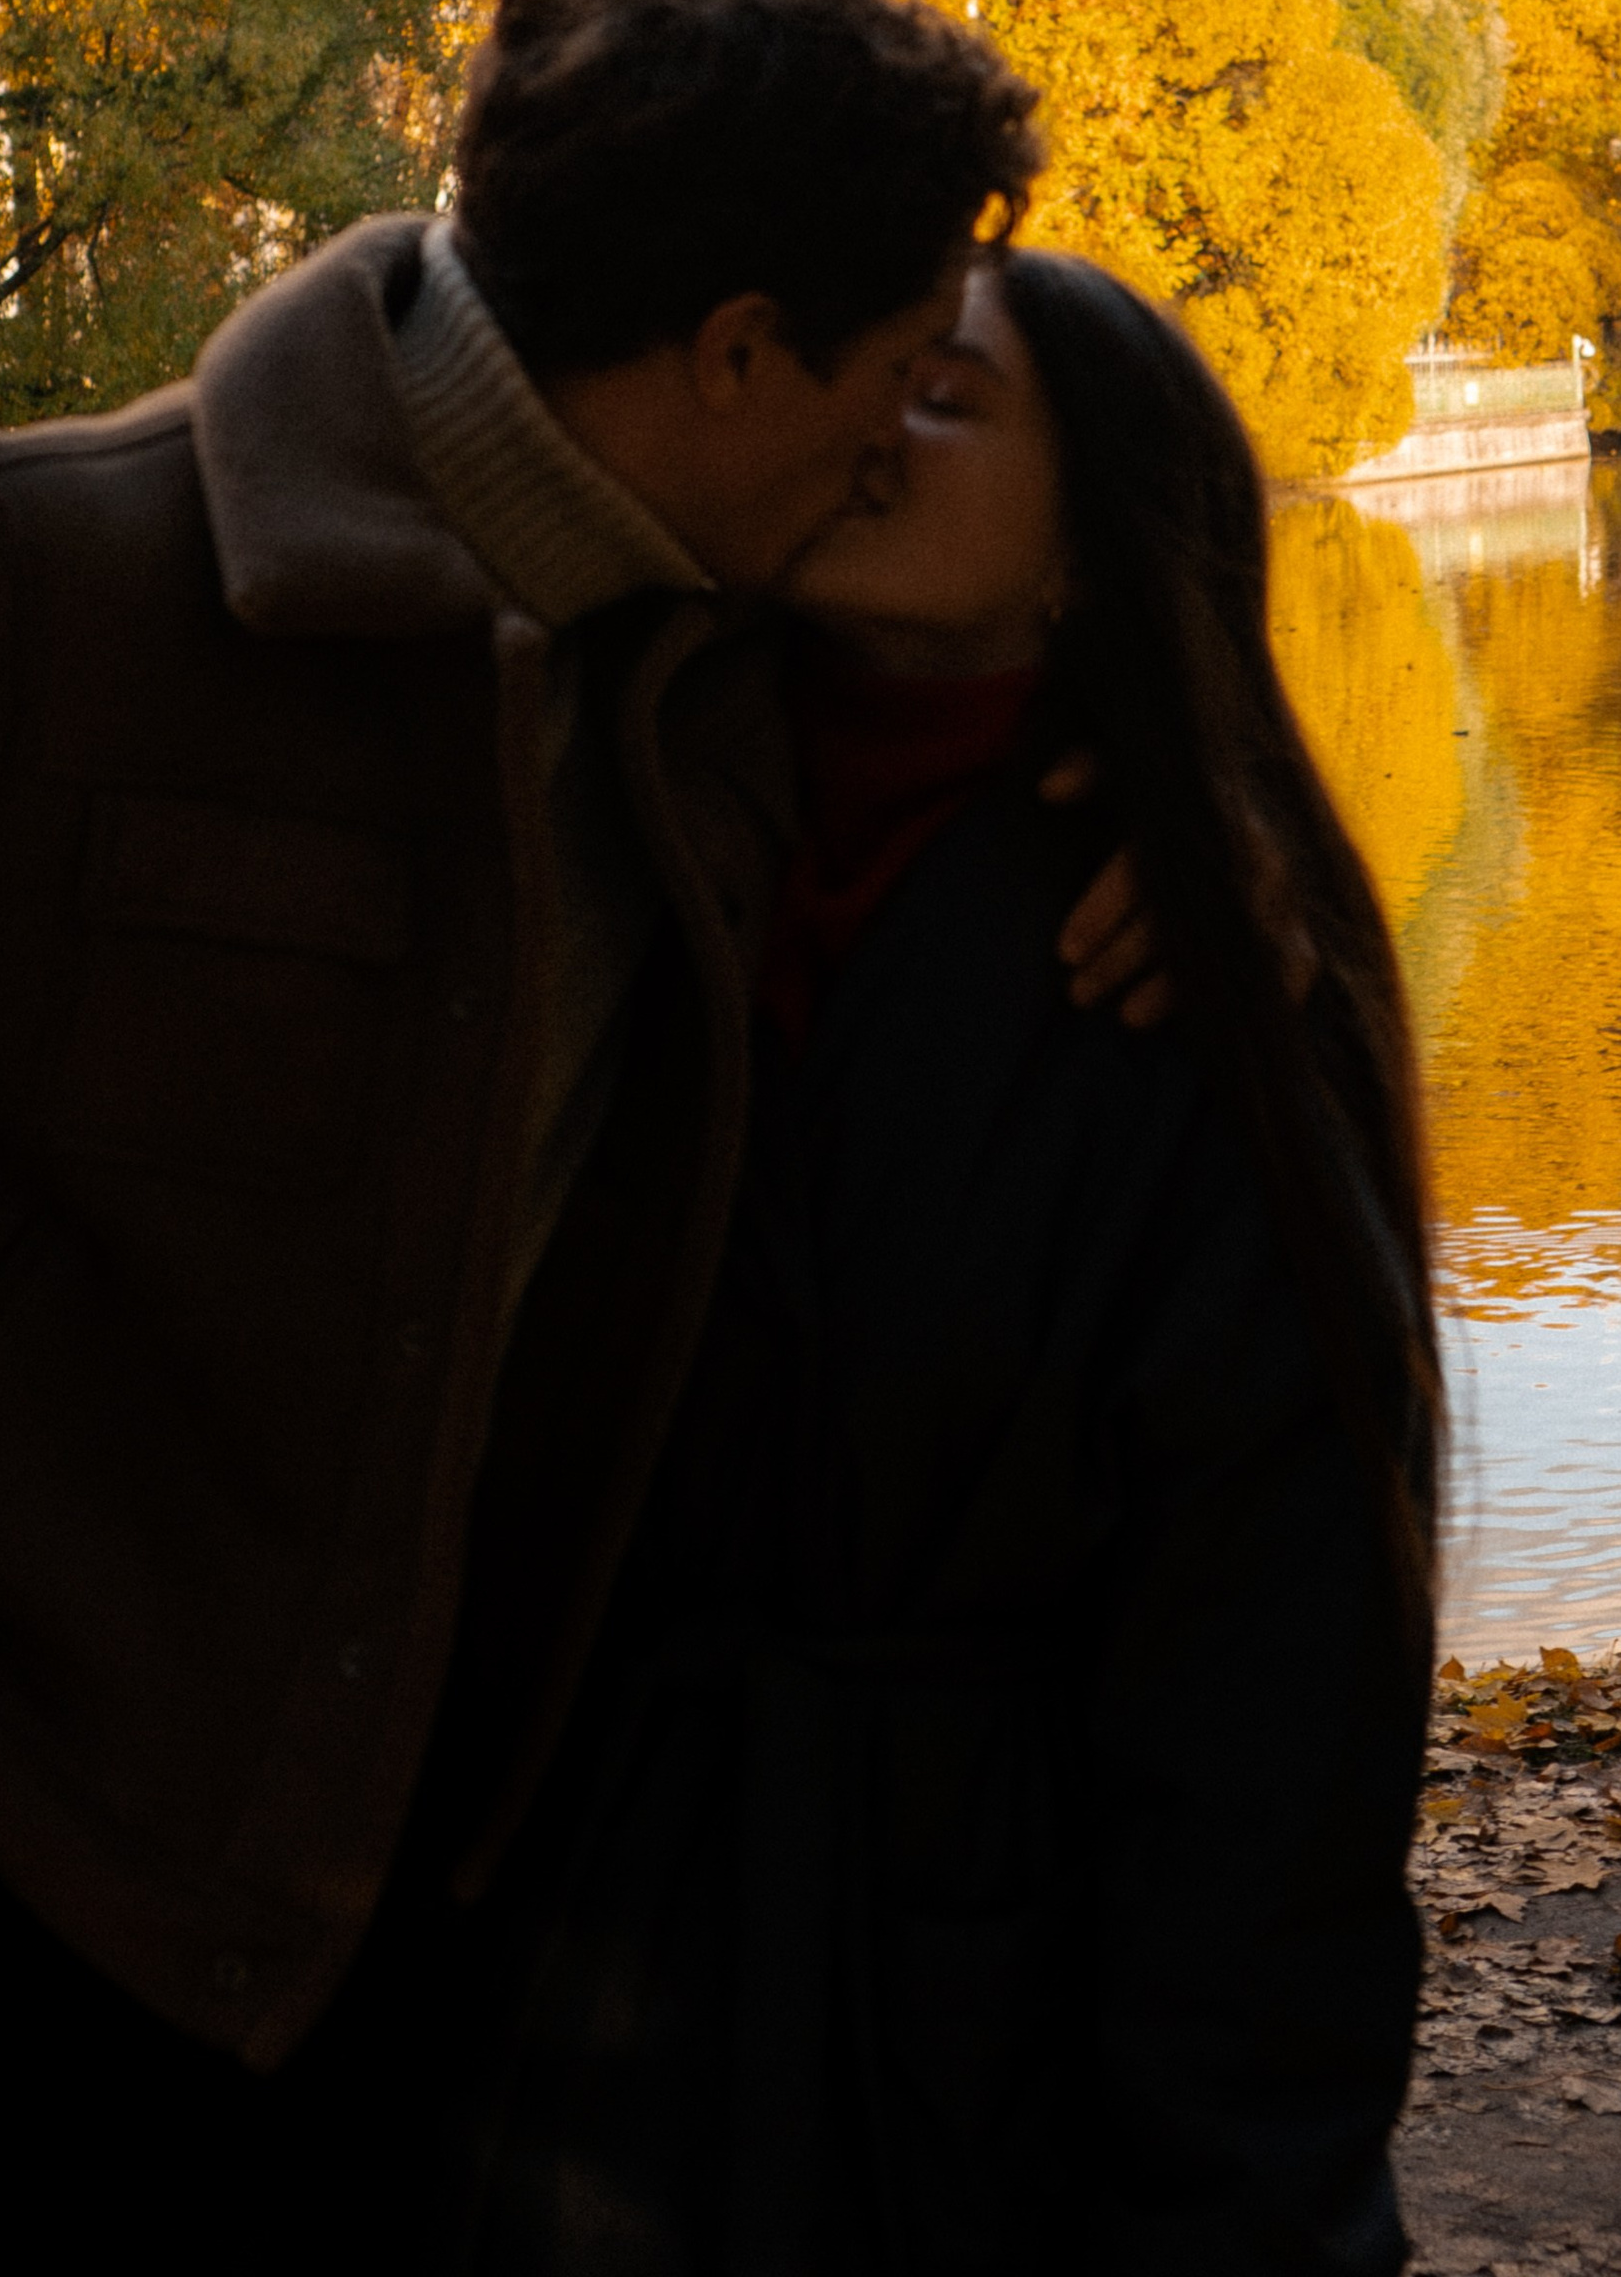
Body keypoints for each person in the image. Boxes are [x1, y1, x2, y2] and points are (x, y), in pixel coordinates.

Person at [0, 0, 1155, 2271]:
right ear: (737, 358)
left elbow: (1032, 663)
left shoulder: (721, 662)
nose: (893, 443)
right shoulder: (24, 578)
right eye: (883, 377)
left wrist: (1164, 819)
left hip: (422, 1956)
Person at [462, 245, 1443, 2272]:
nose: (865, 419)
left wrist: (1243, 2204)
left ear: (1092, 538)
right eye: (861, 367)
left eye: (947, 392)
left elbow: (1270, 1712)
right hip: (570, 1960)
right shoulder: (620, 796)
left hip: (971, 2021)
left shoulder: (1183, 978)